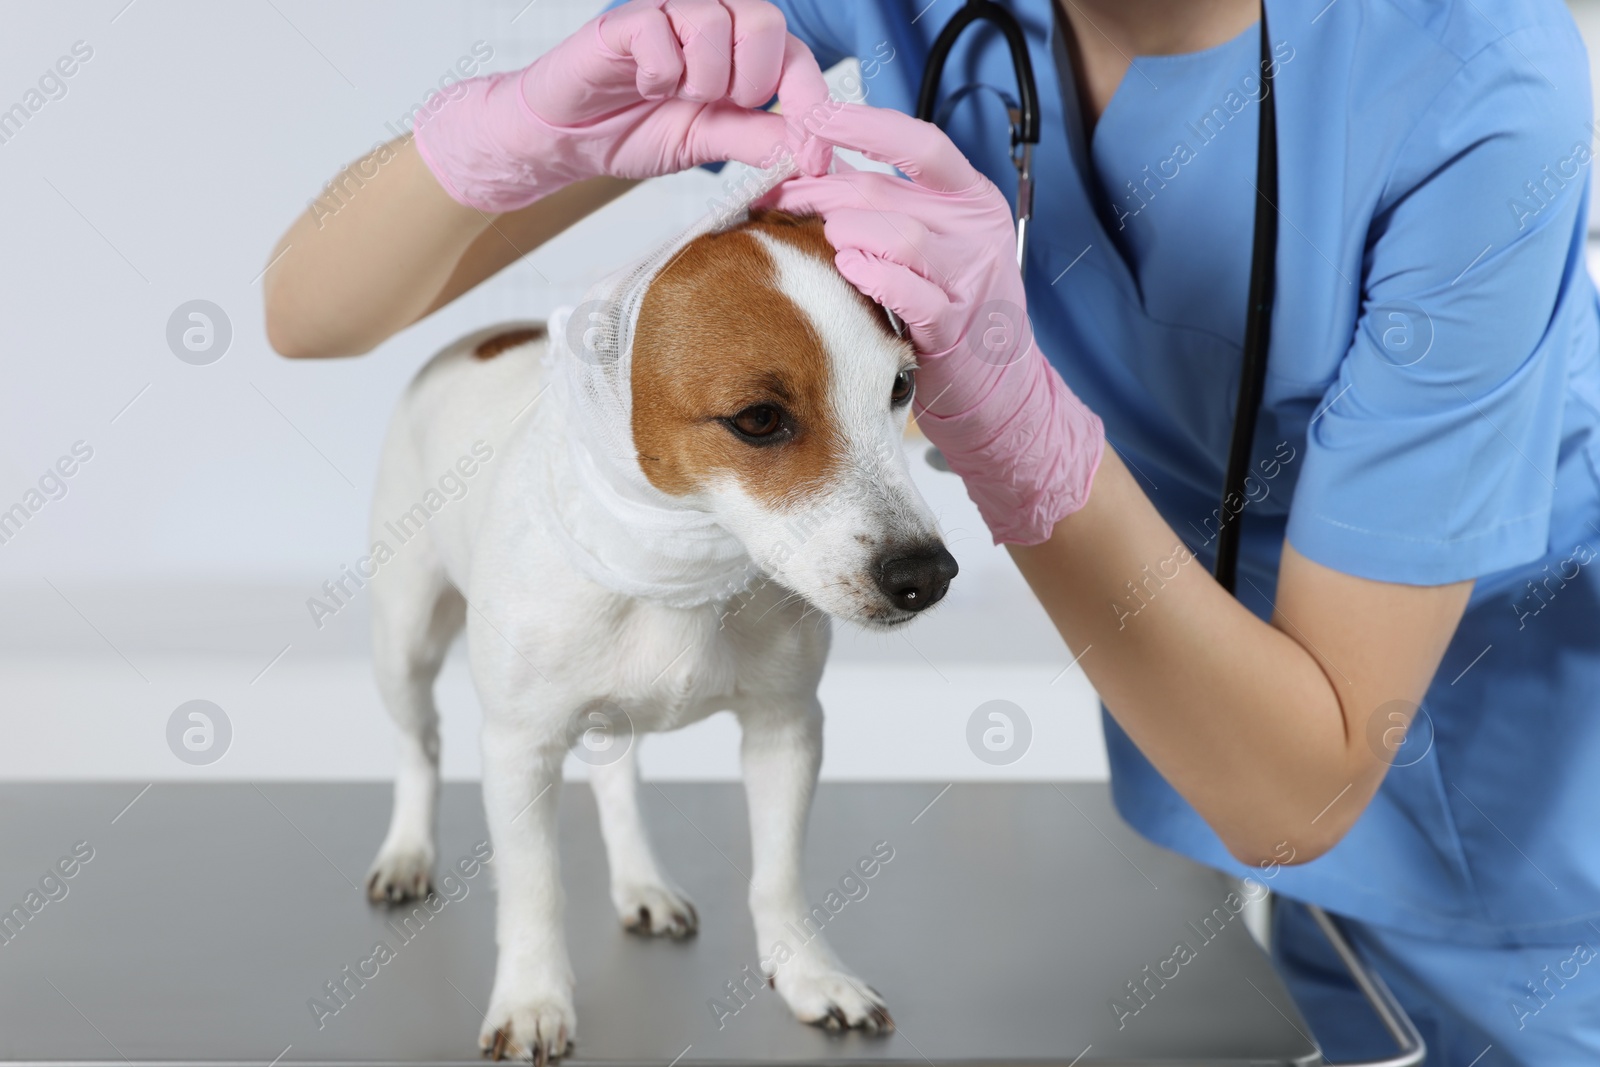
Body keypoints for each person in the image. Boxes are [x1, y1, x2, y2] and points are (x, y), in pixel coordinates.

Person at [264, 1, 1600, 1062]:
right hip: (1210, 723)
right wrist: (498, 138)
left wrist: (1014, 422)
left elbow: (1298, 790)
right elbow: (312, 314)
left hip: (1516, 769)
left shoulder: (1475, 81)